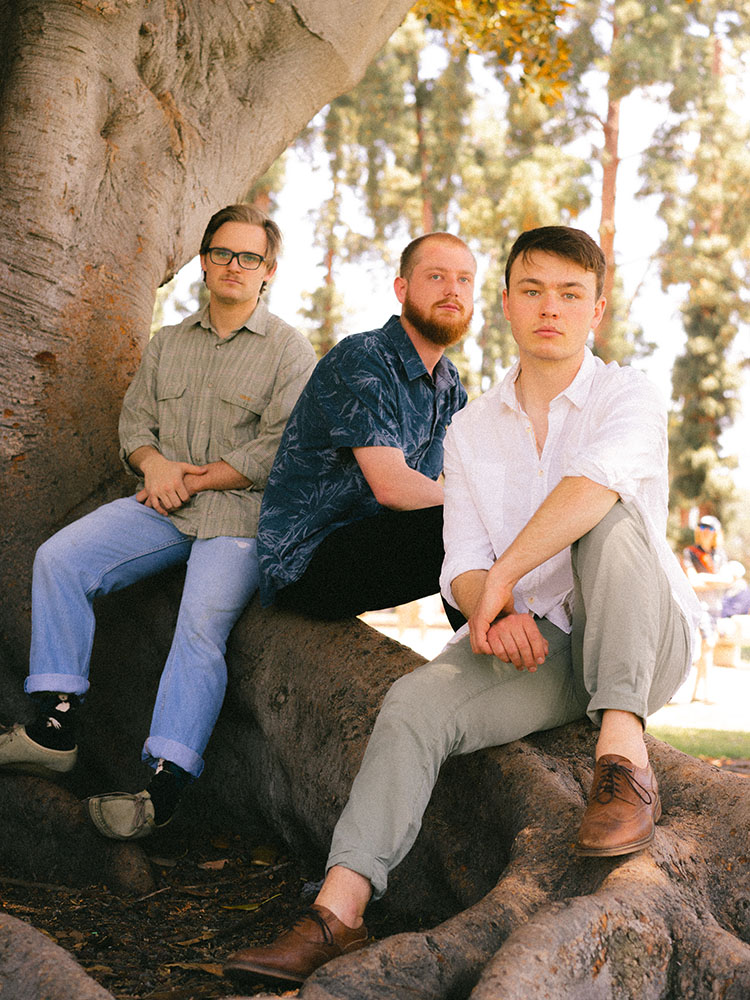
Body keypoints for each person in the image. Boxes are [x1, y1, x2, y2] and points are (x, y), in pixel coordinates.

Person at [223, 225, 702, 988]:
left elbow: (589, 489)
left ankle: (622, 762)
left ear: (597, 311)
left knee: (607, 521)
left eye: (571, 294)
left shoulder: (628, 394)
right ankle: (336, 914)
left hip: (646, 642)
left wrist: (506, 575)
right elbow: (462, 565)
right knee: (416, 702)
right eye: (533, 290)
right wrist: (492, 606)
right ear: (507, 304)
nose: (552, 308)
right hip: (548, 647)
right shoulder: (472, 430)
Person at [0, 203, 317, 839]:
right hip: (162, 508)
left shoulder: (289, 350)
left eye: (249, 257)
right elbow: (134, 428)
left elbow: (279, 449)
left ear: (268, 272)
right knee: (61, 558)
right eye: (223, 253)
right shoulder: (169, 343)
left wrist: (186, 475)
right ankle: (56, 721)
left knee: (199, 626)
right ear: (203, 262)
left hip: (238, 515)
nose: (234, 266)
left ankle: (162, 784)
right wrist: (154, 466)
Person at [256, 232, 475, 630]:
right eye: (436, 277)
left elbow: (462, 481)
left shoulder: (450, 386)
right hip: (306, 559)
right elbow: (391, 486)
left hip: (373, 542)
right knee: (463, 526)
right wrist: (488, 514)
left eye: (464, 280)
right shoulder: (364, 357)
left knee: (478, 530)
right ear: (402, 288)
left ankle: (492, 650)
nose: (452, 290)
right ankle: (489, 659)